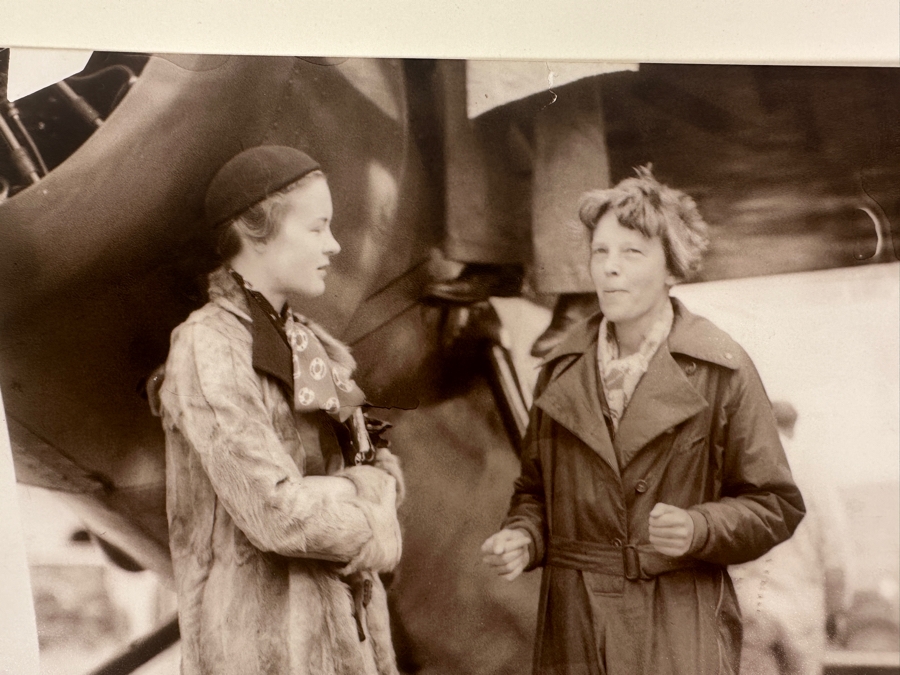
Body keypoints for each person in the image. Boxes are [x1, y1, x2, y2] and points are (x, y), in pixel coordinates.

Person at [481, 166, 806, 675]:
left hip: (677, 631)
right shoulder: (561, 370)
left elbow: (775, 505)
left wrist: (700, 527)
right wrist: (525, 538)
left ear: (672, 268)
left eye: (632, 252)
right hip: (576, 629)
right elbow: (534, 492)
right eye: (600, 252)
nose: (610, 268)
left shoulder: (723, 368)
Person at [151, 146, 404, 675]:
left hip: (350, 642)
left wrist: (361, 493)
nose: (333, 245)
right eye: (317, 229)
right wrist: (372, 520)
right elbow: (275, 514)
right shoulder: (209, 345)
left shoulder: (314, 346)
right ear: (256, 230)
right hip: (258, 653)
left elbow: (378, 468)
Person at [730, 400, 851, 675]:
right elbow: (835, 552)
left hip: (752, 604)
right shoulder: (815, 473)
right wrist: (836, 611)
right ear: (792, 427)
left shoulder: (743, 466)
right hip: (801, 610)